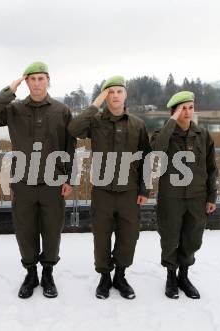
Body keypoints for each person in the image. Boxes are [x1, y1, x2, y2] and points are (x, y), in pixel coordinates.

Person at [0, 61, 76, 298]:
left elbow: (69, 146)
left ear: (48, 80)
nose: (36, 83)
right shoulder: (14, 109)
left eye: (41, 78)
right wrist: (10, 90)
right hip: (23, 183)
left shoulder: (61, 110)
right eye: (31, 79)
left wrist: (68, 179)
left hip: (53, 184)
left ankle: (48, 273)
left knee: (52, 232)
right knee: (25, 231)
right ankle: (31, 273)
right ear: (25, 82)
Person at [68, 75, 151, 300]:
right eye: (110, 92)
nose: (114, 96)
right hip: (102, 192)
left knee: (129, 237)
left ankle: (120, 276)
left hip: (130, 192)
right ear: (105, 96)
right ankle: (104, 277)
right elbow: (74, 129)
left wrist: (145, 190)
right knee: (101, 237)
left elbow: (146, 158)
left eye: (118, 91)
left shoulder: (137, 124)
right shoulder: (95, 121)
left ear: (125, 94)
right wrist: (95, 103)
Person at [151, 91, 217, 299]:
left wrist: (211, 197)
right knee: (170, 238)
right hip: (171, 198)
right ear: (173, 111)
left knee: (192, 238)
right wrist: (171, 121)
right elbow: (157, 149)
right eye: (182, 108)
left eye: (190, 107)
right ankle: (171, 276)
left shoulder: (203, 135)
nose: (187, 112)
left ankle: (184, 276)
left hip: (197, 198)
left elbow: (211, 168)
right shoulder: (164, 134)